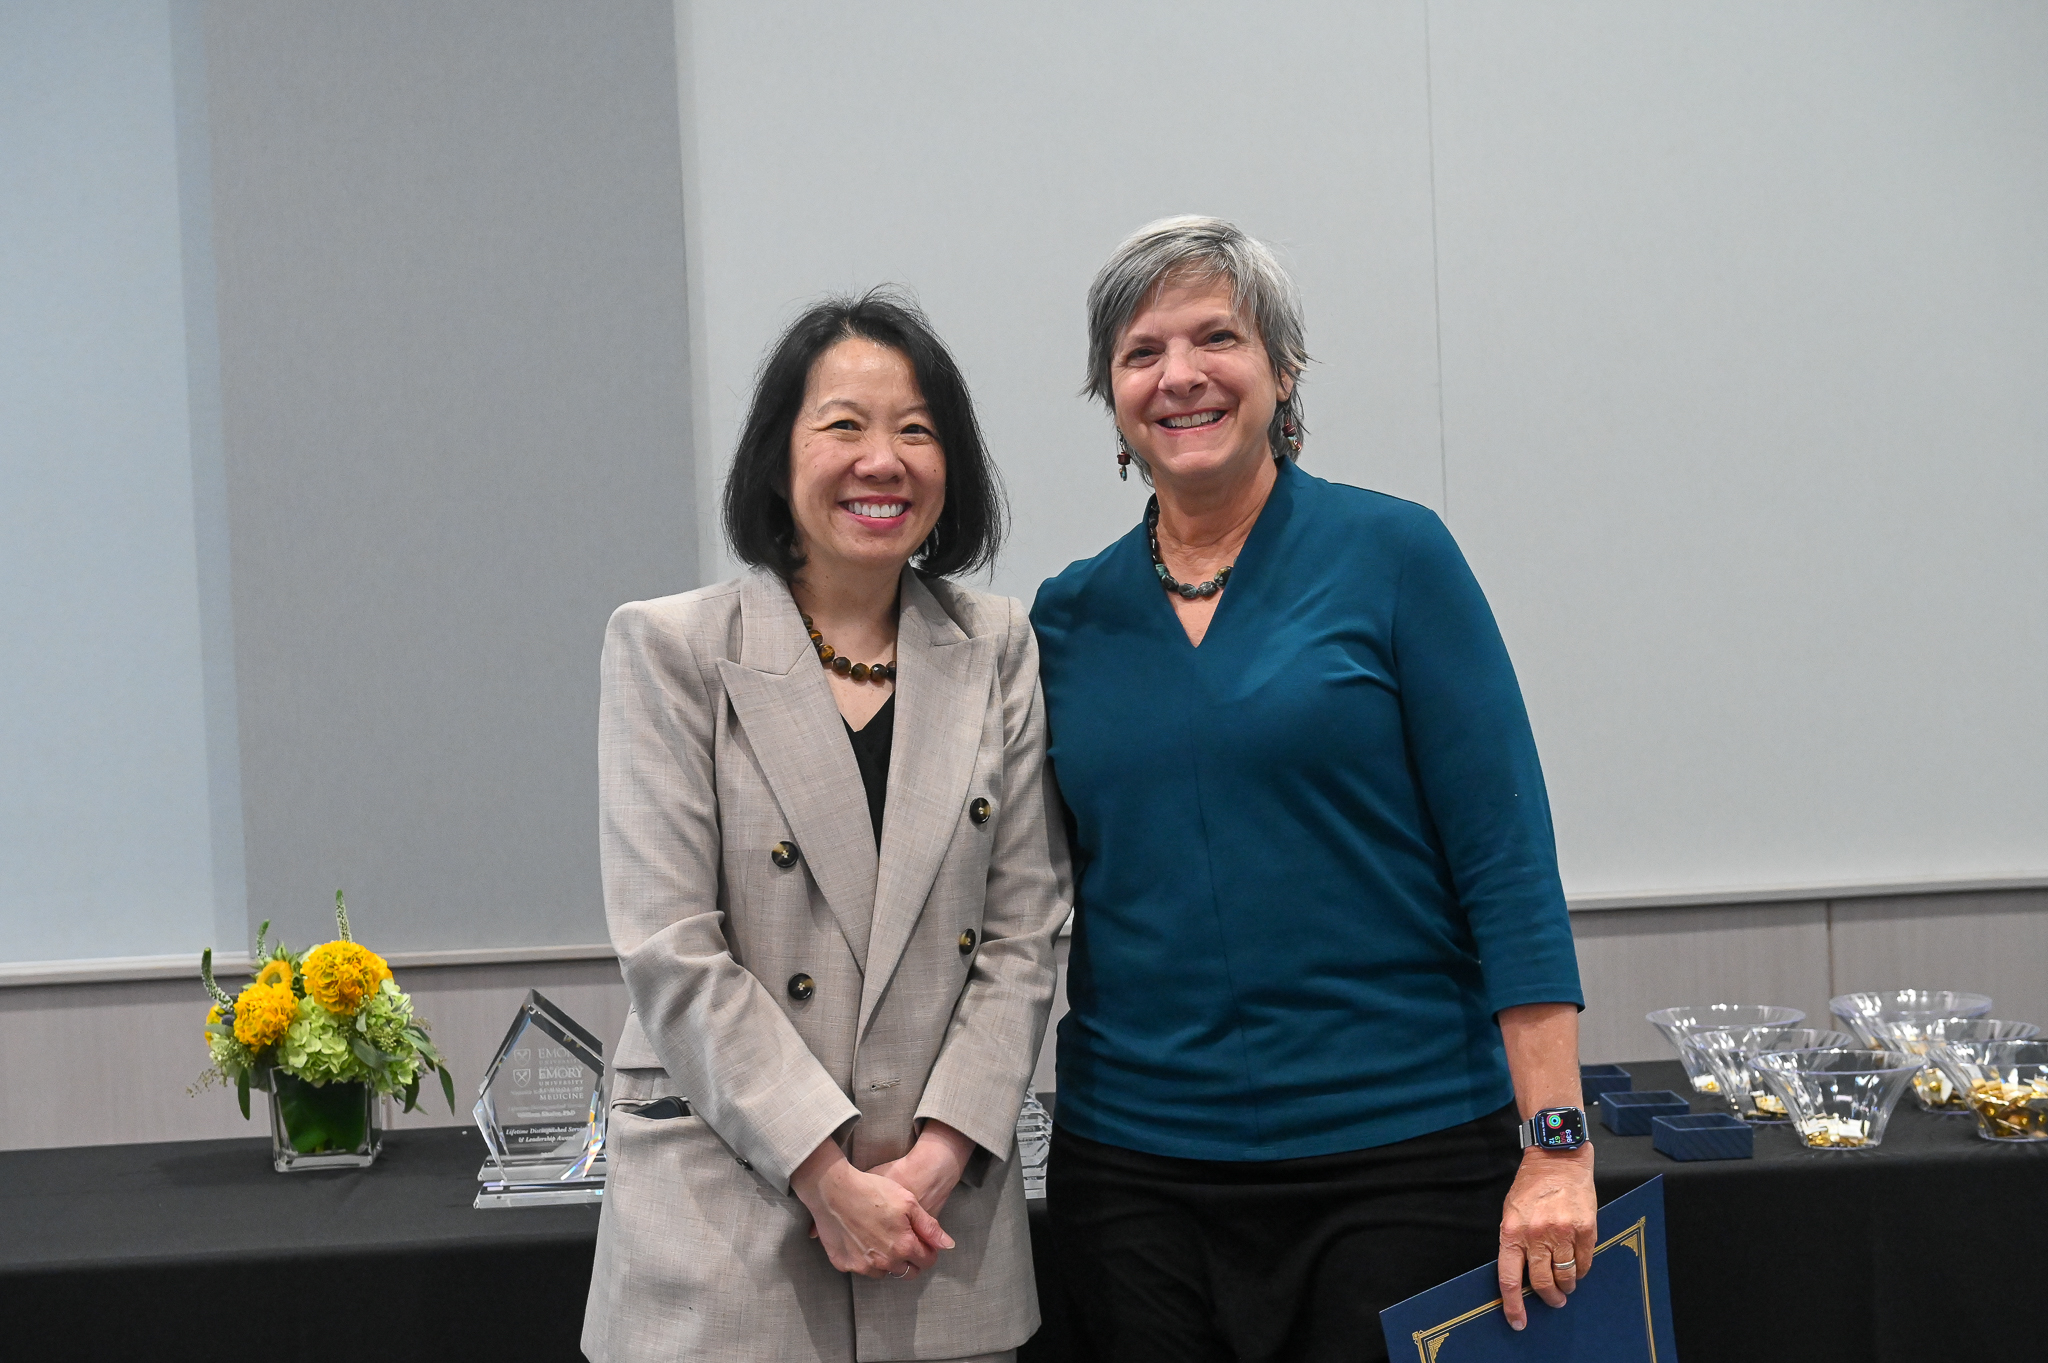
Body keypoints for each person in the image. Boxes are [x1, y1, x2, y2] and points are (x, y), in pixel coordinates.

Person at [1031, 217, 1593, 1363]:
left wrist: (1556, 1143)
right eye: (1141, 352)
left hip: (1398, 1156)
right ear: (1111, 397)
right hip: (1134, 1167)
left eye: (1215, 338)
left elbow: (1506, 863)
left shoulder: (1395, 557)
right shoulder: (1064, 618)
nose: (1178, 374)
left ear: (1279, 371)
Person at [582, 289, 1070, 1363]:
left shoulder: (995, 647)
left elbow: (1024, 932)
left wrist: (934, 1158)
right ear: (777, 455)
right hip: (728, 1218)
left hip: (937, 1227)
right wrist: (824, 1172)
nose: (881, 459)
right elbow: (671, 946)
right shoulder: (671, 647)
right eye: (842, 425)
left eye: (915, 429)